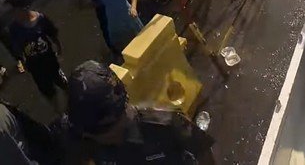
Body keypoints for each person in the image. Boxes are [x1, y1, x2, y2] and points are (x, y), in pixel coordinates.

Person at [62, 61, 214, 164]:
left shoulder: (163, 123)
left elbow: (202, 150)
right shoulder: (80, 144)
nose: (126, 118)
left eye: (123, 110)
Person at [5, 0, 68, 112]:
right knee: (48, 92)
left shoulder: (41, 20)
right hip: (35, 67)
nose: (14, 13)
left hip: (50, 60)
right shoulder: (14, 29)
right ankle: (60, 113)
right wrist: (22, 62)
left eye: (16, 9)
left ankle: (72, 103)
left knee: (63, 83)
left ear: (25, 7)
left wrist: (59, 49)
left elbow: (53, 35)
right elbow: (17, 48)